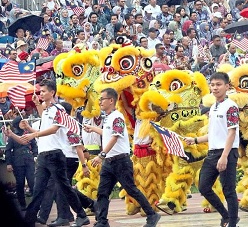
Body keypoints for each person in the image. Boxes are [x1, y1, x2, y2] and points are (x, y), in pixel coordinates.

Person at [83, 88, 160, 227]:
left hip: (120, 161)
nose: (100, 101)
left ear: (111, 100)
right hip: (109, 161)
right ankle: (102, 221)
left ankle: (152, 214)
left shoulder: (117, 116)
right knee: (102, 192)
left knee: (131, 190)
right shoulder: (109, 117)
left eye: (102, 99)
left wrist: (101, 155)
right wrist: (93, 129)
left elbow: (115, 136)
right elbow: (108, 134)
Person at [19, 79, 90, 227]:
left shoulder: (59, 109)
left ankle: (82, 215)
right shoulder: (46, 110)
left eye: (44, 91)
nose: (41, 93)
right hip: (44, 155)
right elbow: (44, 125)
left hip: (55, 155)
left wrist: (34, 135)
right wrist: (38, 105)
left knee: (64, 187)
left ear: (52, 92)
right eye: (40, 91)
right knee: (38, 190)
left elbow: (54, 128)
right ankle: (29, 220)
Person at [184, 72, 240, 227]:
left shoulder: (231, 107)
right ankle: (226, 215)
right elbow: (214, 133)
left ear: (227, 86)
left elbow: (231, 133)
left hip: (226, 153)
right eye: (213, 85)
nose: (215, 88)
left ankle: (233, 222)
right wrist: (195, 140)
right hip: (213, 152)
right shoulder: (214, 106)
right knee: (203, 187)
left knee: (228, 190)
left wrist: (224, 156)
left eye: (219, 84)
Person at [5, 115, 37, 210]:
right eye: (21, 122)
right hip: (18, 162)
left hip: (29, 160)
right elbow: (8, 150)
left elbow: (34, 145)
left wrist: (35, 155)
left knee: (32, 182)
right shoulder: (13, 136)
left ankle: (35, 204)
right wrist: (9, 163)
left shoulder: (29, 134)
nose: (23, 124)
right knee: (20, 183)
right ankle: (22, 204)